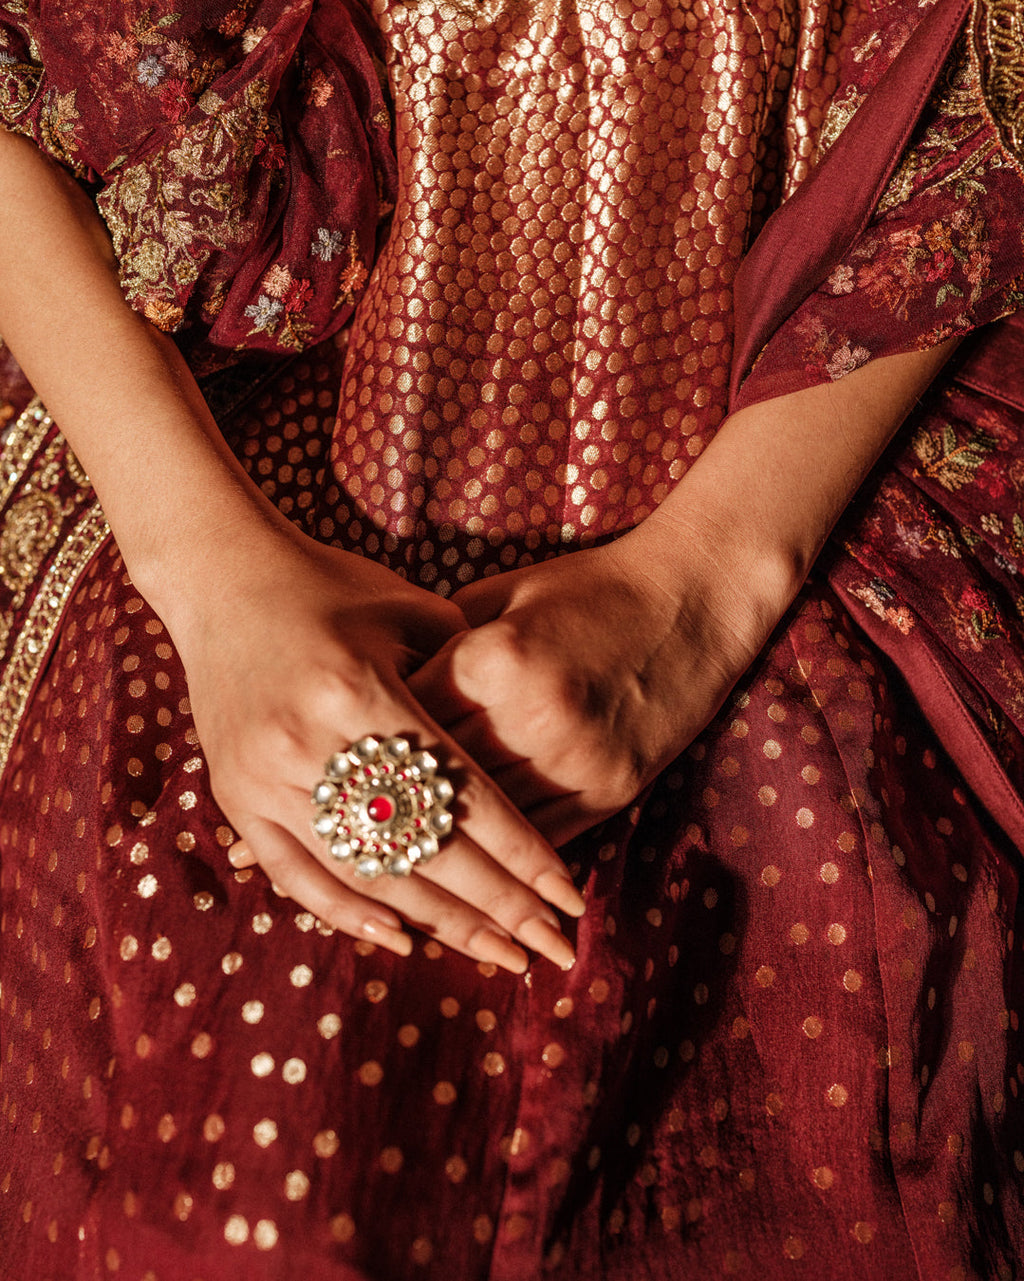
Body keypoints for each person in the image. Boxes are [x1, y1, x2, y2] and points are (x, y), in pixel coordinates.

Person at [0, 0, 1021, 1277]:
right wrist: (201, 568)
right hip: (214, 490)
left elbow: (987, 91)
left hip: (820, 470)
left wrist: (710, 583)